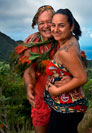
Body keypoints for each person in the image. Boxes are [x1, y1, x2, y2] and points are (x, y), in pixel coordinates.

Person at [22, 5, 68, 133]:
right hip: (41, 99)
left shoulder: (64, 41)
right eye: (41, 23)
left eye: (49, 22)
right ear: (37, 25)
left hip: (63, 98)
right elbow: (29, 70)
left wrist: (69, 78)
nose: (46, 26)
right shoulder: (32, 43)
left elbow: (78, 67)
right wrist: (29, 87)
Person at [43, 8, 88, 133]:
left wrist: (57, 91)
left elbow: (82, 78)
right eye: (53, 25)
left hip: (67, 108)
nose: (55, 29)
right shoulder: (73, 40)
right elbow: (79, 65)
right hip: (71, 106)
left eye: (61, 26)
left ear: (71, 27)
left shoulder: (65, 52)